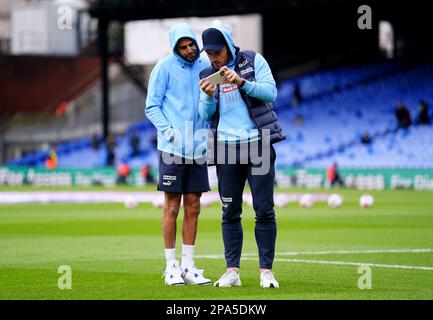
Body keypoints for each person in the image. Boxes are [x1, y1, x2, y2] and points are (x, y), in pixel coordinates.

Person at [199, 23, 285, 288]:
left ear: (228, 44)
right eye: (209, 53)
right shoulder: (206, 74)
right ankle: (232, 272)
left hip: (257, 145)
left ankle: (266, 272)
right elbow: (205, 115)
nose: (214, 57)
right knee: (229, 212)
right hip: (225, 148)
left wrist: (242, 82)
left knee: (264, 210)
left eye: (218, 51)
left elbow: (271, 93)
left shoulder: (252, 60)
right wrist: (209, 98)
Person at [145, 23, 211, 286]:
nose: (189, 50)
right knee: (172, 206)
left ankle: (188, 266)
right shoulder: (163, 67)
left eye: (191, 44)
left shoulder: (206, 65)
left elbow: (211, 102)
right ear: (175, 48)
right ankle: (170, 267)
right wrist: (169, 132)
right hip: (172, 148)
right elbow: (152, 106)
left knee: (193, 207)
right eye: (182, 47)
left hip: (197, 148)